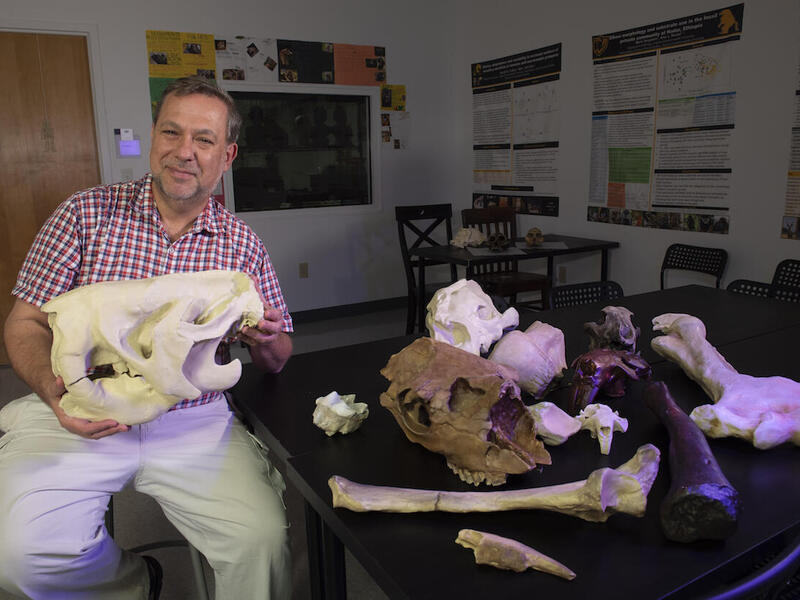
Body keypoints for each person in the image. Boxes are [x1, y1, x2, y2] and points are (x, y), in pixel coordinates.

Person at [0, 76, 293, 599]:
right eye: (171, 132)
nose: (184, 152)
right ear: (153, 137)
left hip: (192, 421)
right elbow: (24, 323)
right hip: (82, 411)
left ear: (226, 156)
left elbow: (277, 357)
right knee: (17, 557)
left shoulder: (242, 243)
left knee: (262, 544)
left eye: (203, 140)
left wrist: (264, 337)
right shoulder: (84, 215)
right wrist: (55, 391)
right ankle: (135, 583)